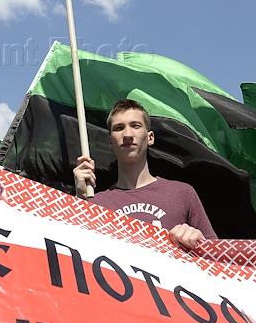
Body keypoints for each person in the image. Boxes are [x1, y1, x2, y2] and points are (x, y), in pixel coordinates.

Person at [73, 98, 216, 251]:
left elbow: (217, 257)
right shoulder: (95, 203)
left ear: (150, 138)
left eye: (135, 126)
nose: (127, 134)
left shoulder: (182, 193)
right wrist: (79, 200)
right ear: (110, 141)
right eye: (119, 128)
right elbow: (75, 253)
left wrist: (200, 242)